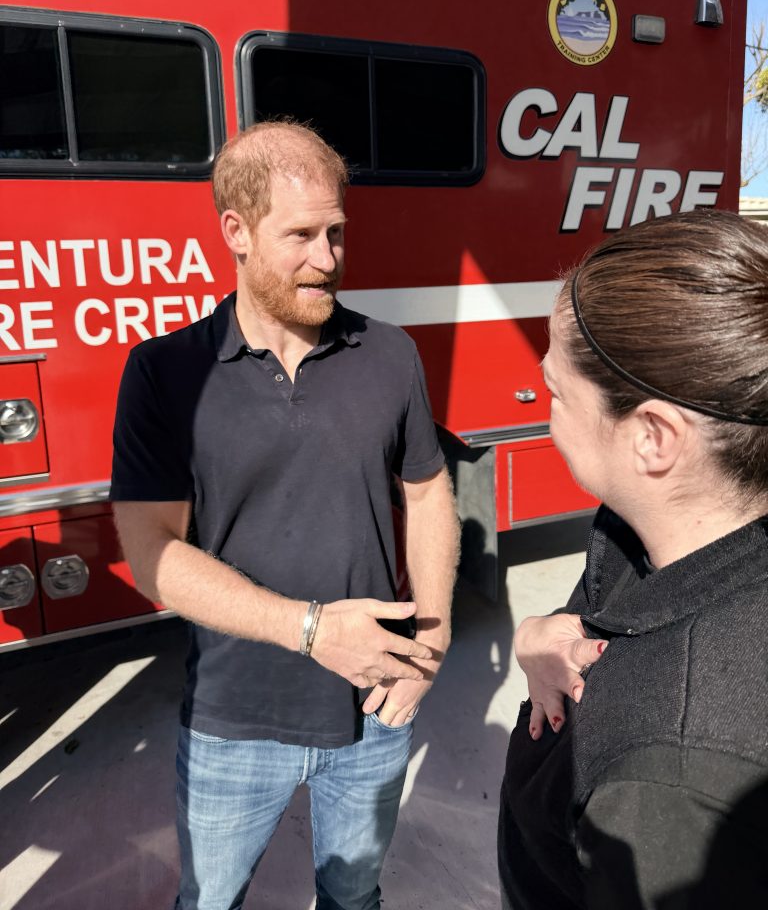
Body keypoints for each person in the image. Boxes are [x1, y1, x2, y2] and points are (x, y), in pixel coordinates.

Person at [110, 121, 459, 910]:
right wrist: (310, 629)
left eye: (336, 231)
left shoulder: (391, 354)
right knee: (209, 902)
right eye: (300, 234)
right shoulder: (167, 373)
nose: (329, 258)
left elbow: (429, 491)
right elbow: (151, 552)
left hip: (376, 706)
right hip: (235, 721)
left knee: (354, 899)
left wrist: (433, 637)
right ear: (234, 230)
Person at [498, 209, 768, 909]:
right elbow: (590, 611)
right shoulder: (641, 530)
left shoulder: (671, 789)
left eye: (558, 387)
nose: (539, 376)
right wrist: (534, 639)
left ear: (653, 437)